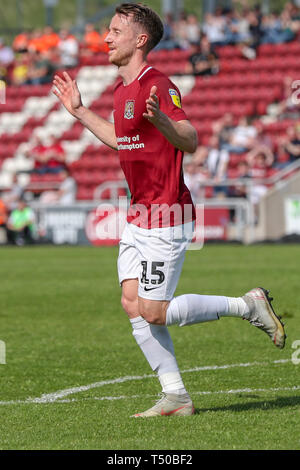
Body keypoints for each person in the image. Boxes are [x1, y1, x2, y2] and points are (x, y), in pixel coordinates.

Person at [53, 3, 286, 418]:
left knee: (153, 310)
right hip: (137, 214)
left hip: (166, 213)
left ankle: (246, 305)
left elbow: (191, 138)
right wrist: (80, 111)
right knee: (132, 303)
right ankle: (176, 396)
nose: (106, 38)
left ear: (139, 40)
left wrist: (163, 122)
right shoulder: (121, 90)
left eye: (114, 31)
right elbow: (120, 140)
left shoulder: (158, 84)